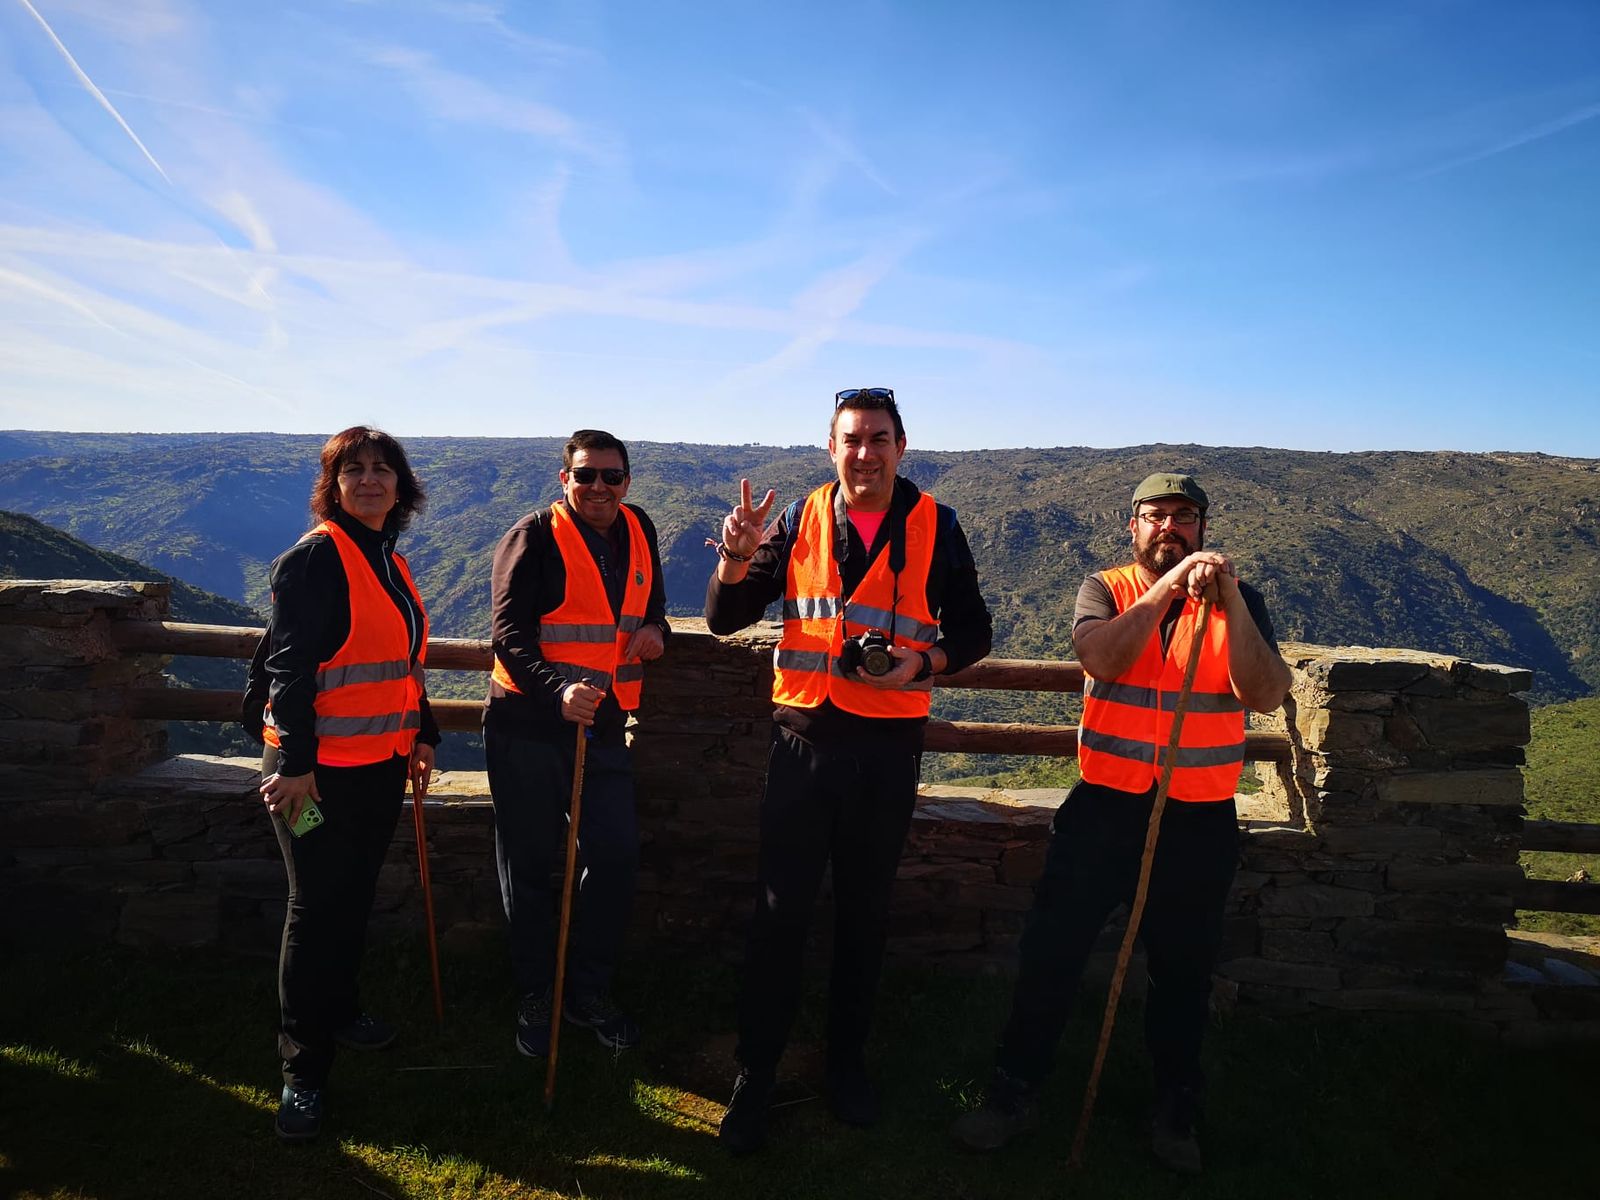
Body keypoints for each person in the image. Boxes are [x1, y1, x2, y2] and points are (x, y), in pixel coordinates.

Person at [950, 472, 1292, 1174]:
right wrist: (1167, 590)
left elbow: (1264, 693)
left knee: (1184, 969)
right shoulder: (1105, 589)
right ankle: (1013, 1092)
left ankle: (1175, 1108)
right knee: (1052, 952)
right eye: (1155, 516)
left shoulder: (1242, 601)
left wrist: (1229, 601)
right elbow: (1100, 657)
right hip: (1105, 805)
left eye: (1184, 517)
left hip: (1198, 813)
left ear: (1203, 527)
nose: (1170, 527)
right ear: (1132, 526)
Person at [706, 387, 992, 1155]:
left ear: (902, 446)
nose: (865, 453)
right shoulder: (800, 519)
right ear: (831, 448)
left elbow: (974, 630)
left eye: (878, 438)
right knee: (780, 914)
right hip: (803, 744)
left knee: (865, 915)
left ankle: (846, 1066)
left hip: (887, 750)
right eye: (852, 439)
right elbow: (727, 618)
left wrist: (923, 663)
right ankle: (756, 1073)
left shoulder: (937, 525)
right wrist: (736, 557)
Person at [255, 426, 440, 1142]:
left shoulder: (385, 558)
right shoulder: (314, 560)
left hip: (377, 767)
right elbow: (289, 671)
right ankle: (302, 1070)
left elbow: (400, 663)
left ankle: (338, 1010)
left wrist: (423, 731)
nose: (369, 480)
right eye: (352, 469)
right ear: (332, 487)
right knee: (315, 908)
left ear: (400, 485)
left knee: (352, 895)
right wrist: (297, 767)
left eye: (381, 468)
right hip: (314, 777)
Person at [485, 429, 669, 1059]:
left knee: (615, 856)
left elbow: (651, 603)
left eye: (611, 476)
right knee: (530, 864)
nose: (598, 487)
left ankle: (586, 990)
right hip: (527, 728)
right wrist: (556, 691)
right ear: (564, 479)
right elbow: (509, 635)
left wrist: (657, 628)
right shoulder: (532, 536)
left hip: (604, 726)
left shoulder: (639, 527)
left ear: (627, 481)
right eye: (585, 475)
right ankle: (537, 993)